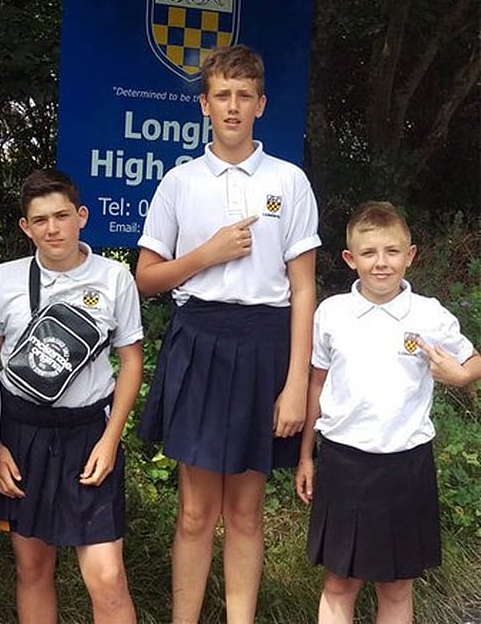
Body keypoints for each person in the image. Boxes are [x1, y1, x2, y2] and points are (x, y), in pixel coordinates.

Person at [135, 44, 321, 623]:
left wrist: (296, 384)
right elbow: (145, 278)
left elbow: (304, 289)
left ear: (261, 104)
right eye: (222, 95)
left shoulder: (289, 181)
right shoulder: (180, 182)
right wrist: (207, 253)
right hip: (198, 341)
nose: (233, 106)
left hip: (265, 346)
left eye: (244, 96)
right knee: (195, 513)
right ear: (204, 105)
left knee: (245, 512)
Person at [296, 201, 481, 623]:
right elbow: (316, 384)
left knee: (396, 586)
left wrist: (459, 376)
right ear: (350, 259)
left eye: (392, 251)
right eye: (369, 253)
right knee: (339, 583)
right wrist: (306, 456)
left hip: (406, 464)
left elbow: (474, 362)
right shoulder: (332, 314)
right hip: (343, 462)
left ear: (410, 255)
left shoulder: (429, 314)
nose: (381, 263)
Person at [0, 168, 144, 624]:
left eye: (62, 216)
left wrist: (110, 440)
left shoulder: (114, 278)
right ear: (25, 227)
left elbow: (131, 362)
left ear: (81, 216)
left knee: (108, 577)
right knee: (33, 568)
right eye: (41, 220)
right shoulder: (3, 280)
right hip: (21, 436)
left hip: (88, 435)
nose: (53, 228)